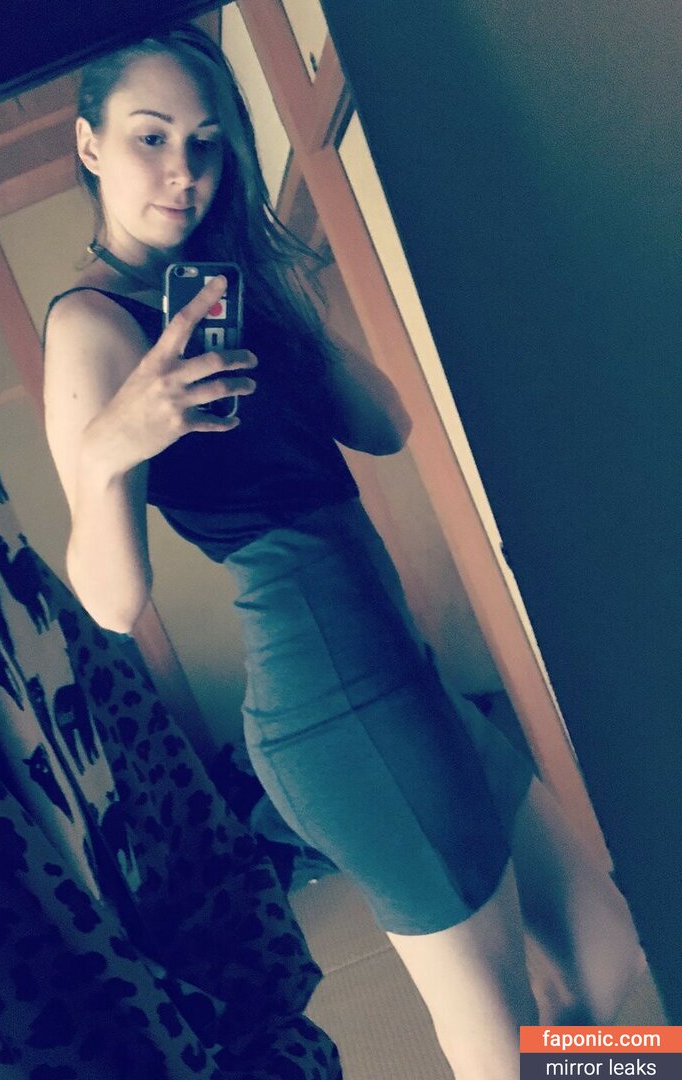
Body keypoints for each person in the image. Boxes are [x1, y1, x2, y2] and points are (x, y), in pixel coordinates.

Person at [43, 24, 646, 1080]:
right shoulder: (90, 326)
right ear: (90, 144)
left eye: (207, 141)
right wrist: (109, 449)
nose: (183, 171)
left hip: (404, 674)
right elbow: (111, 600)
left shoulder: (226, 291)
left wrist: (276, 303)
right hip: (336, 708)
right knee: (500, 1034)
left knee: (610, 968)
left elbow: (385, 425)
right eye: (150, 137)